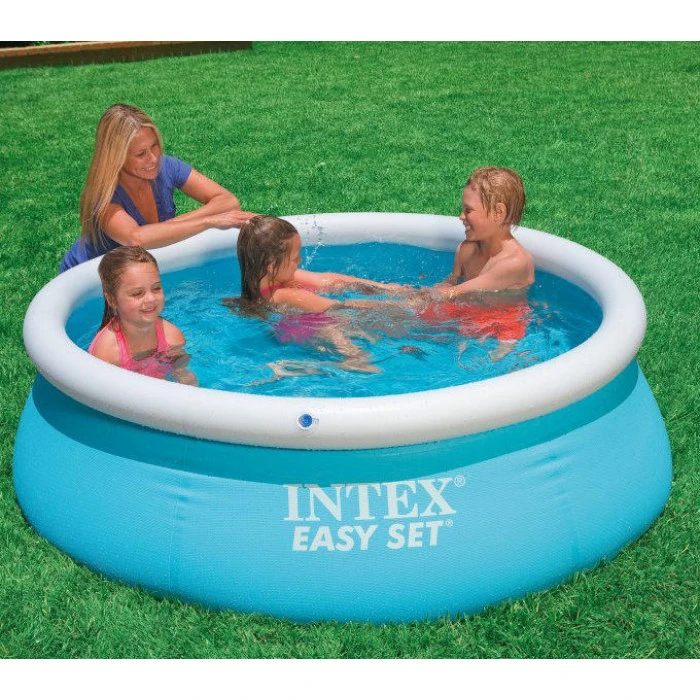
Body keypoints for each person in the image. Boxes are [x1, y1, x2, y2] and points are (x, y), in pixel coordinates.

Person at [60, 103, 254, 272]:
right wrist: (208, 221)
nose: (153, 159)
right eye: (140, 154)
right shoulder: (105, 196)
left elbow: (229, 202)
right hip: (89, 274)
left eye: (154, 146)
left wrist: (164, 229)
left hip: (137, 270)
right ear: (116, 158)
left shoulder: (166, 167)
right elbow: (137, 240)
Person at [228, 215, 405, 377]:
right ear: (272, 265)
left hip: (289, 328)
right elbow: (339, 308)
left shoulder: (264, 283)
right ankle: (338, 363)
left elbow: (330, 280)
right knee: (360, 352)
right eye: (295, 258)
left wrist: (385, 289)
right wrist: (398, 306)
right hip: (312, 331)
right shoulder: (287, 295)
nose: (300, 261)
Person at [422, 166, 535, 358]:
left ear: (498, 213)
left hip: (503, 326)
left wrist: (399, 292)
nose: (461, 217)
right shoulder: (466, 250)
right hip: (468, 313)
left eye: (468, 210)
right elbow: (451, 284)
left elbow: (453, 292)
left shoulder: (516, 262)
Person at [89, 246, 197, 384]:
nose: (151, 299)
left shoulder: (171, 337)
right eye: (137, 293)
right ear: (112, 300)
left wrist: (183, 376)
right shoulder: (107, 353)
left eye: (156, 288)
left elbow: (181, 367)